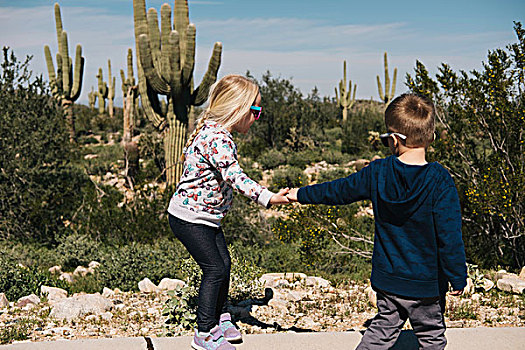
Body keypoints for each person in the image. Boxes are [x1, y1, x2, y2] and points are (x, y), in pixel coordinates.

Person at [286, 93, 467, 350]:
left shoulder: (378, 172)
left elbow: (339, 191)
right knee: (431, 338)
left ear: (394, 140)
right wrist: (457, 276)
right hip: (427, 285)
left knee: (381, 333)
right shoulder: (440, 180)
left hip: (389, 281)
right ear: (431, 137)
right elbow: (450, 236)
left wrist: (299, 194)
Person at [167, 74, 289, 350]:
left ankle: (221, 317)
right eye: (255, 110)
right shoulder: (218, 139)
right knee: (215, 269)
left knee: (223, 265)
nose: (257, 117)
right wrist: (268, 198)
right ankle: (204, 332)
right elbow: (235, 176)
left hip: (205, 218)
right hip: (190, 219)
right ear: (237, 109)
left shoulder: (214, 131)